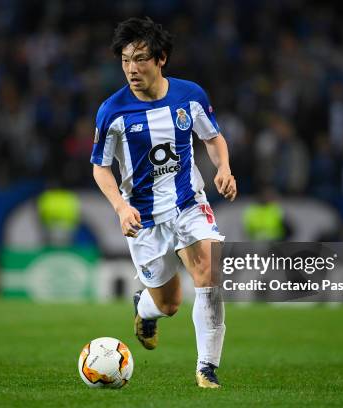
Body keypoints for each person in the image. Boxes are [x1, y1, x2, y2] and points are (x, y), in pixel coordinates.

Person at [91, 17, 236, 388]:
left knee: (208, 272)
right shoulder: (112, 111)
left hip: (189, 202)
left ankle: (207, 368)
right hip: (145, 217)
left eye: (140, 58)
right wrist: (122, 208)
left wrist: (224, 168)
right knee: (169, 304)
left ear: (161, 58)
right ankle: (145, 308)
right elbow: (100, 169)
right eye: (125, 60)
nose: (132, 69)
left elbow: (213, 138)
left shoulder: (190, 95)